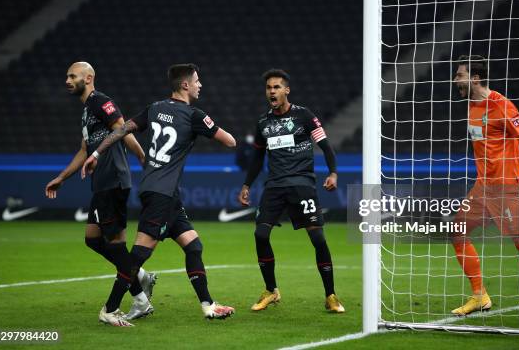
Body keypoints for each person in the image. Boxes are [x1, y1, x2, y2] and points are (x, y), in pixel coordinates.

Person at [82, 63, 236, 326]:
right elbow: (230, 141)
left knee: (193, 245)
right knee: (138, 256)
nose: (200, 85)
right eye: (197, 81)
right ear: (185, 85)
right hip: (161, 195)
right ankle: (109, 308)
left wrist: (96, 153)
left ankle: (208, 305)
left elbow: (120, 130)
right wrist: (205, 124)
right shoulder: (194, 115)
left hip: (163, 194)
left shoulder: (154, 108)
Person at [45, 61, 157, 325]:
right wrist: (62, 178)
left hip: (113, 181)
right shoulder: (86, 112)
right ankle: (138, 273)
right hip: (101, 183)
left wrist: (142, 158)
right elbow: (84, 150)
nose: (67, 80)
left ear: (89, 77)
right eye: (67, 76)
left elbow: (123, 128)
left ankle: (135, 300)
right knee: (93, 239)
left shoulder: (100, 101)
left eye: (73, 76)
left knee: (115, 245)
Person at [450, 55, 519, 322]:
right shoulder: (471, 106)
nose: (455, 80)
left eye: (460, 75)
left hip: (507, 190)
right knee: (457, 231)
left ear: (475, 78)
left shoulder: (502, 105)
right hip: (483, 187)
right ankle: (479, 296)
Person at [237, 68, 344, 313]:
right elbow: (256, 158)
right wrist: (246, 185)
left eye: (276, 87)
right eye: (268, 88)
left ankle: (331, 295)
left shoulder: (304, 116)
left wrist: (333, 172)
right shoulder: (263, 122)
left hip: (302, 184)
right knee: (260, 235)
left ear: (286, 90)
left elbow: (327, 147)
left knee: (317, 239)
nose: (271, 91)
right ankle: (271, 290)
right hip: (274, 186)